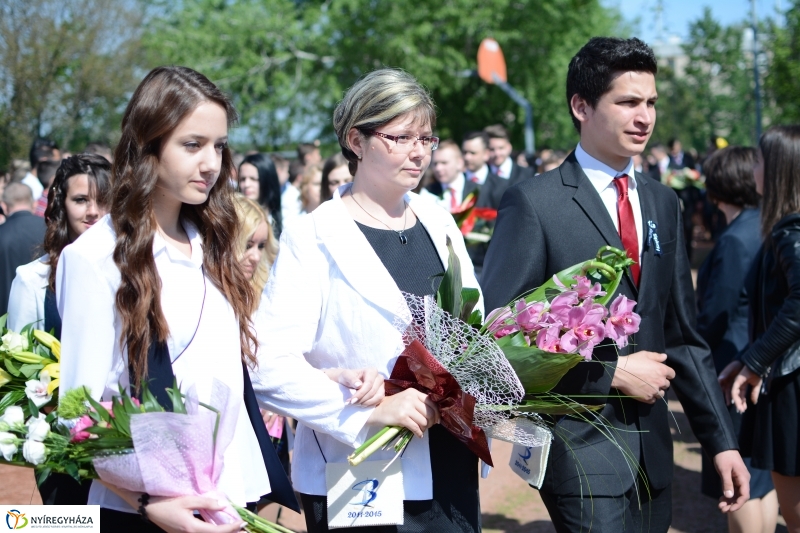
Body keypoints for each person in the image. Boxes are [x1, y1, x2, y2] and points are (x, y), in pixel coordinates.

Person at [480, 37, 748, 532]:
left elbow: (684, 336)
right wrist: (612, 370)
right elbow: (500, 334)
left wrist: (721, 440)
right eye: (627, 102)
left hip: (655, 457)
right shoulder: (534, 203)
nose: (644, 116)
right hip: (582, 452)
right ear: (581, 106)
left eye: (650, 103)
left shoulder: (665, 203)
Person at [56, 66, 298, 533]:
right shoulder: (94, 258)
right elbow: (79, 415)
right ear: (148, 145)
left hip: (231, 501)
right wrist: (149, 502)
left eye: (220, 145)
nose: (211, 162)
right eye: (193, 145)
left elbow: (232, 364)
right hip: (142, 514)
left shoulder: (215, 242)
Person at [252, 68, 483, 533]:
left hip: (450, 460)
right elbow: (266, 363)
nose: (418, 151)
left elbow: (474, 331)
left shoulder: (438, 221)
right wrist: (372, 410)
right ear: (356, 141)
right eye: (401, 137)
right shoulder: (313, 235)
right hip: (360, 470)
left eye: (426, 138)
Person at [696, 146, 778, 533]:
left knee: (737, 479)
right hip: (760, 359)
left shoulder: (734, 239)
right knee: (760, 477)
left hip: (732, 362)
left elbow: (715, 314)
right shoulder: (765, 223)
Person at [727, 125, 800, 533]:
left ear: (777, 170)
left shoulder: (791, 231)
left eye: (758, 160)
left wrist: (754, 363)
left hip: (792, 388)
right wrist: (744, 360)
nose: (753, 168)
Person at [8, 154, 111, 334]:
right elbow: (19, 359)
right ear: (62, 204)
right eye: (81, 200)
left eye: (103, 200)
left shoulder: (133, 272)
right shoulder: (32, 281)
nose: (93, 211)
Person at [0, 183, 46, 316]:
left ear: (4, 206)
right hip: (44, 316)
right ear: (35, 204)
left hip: (5, 317)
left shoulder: (2, 233)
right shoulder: (49, 231)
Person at [479, 124, 533, 209]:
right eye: (492, 149)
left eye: (501, 148)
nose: (497, 154)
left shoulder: (527, 174)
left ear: (509, 147)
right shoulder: (481, 176)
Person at [421, 139, 477, 213]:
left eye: (444, 163)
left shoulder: (478, 190)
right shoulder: (428, 193)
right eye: (435, 164)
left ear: (459, 163)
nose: (438, 168)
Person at [238, 153, 283, 237]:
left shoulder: (286, 218)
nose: (246, 184)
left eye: (253, 179)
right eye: (242, 179)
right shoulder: (234, 218)